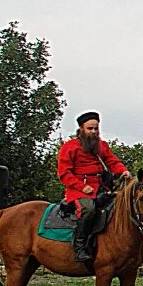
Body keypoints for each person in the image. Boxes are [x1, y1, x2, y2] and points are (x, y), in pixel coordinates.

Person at [56, 111, 129, 262]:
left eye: (96, 129)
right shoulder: (69, 147)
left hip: (101, 188)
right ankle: (79, 246)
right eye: (90, 129)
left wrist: (123, 171)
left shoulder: (102, 146)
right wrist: (82, 187)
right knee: (88, 210)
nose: (93, 132)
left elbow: (112, 161)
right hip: (78, 191)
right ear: (81, 129)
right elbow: (64, 173)